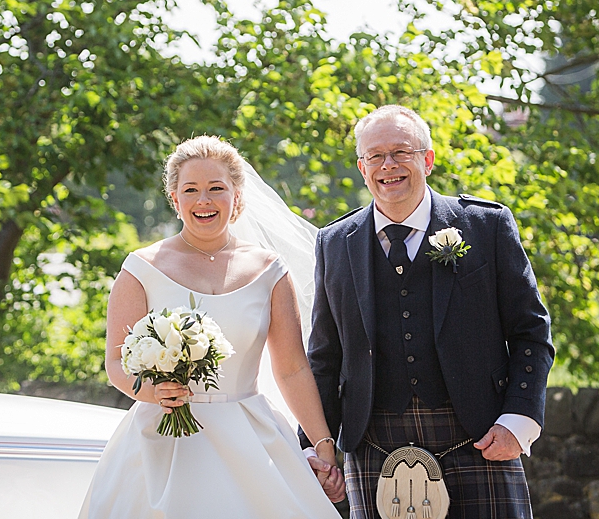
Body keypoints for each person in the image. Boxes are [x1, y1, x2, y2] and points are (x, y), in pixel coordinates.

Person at [300, 105, 555, 518]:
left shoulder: (485, 226)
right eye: (376, 157)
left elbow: (531, 332)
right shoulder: (334, 242)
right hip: (373, 443)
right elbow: (324, 358)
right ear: (363, 168)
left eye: (401, 152)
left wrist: (519, 421)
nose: (389, 166)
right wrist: (316, 446)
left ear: (428, 160)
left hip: (480, 437)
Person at [78, 135, 344, 519]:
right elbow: (116, 363)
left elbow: (292, 367)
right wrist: (153, 391)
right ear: (175, 199)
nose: (204, 200)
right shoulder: (140, 269)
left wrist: (322, 445)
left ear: (237, 196)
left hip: (252, 438)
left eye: (216, 188)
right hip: (164, 443)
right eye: (191, 190)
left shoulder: (269, 270)